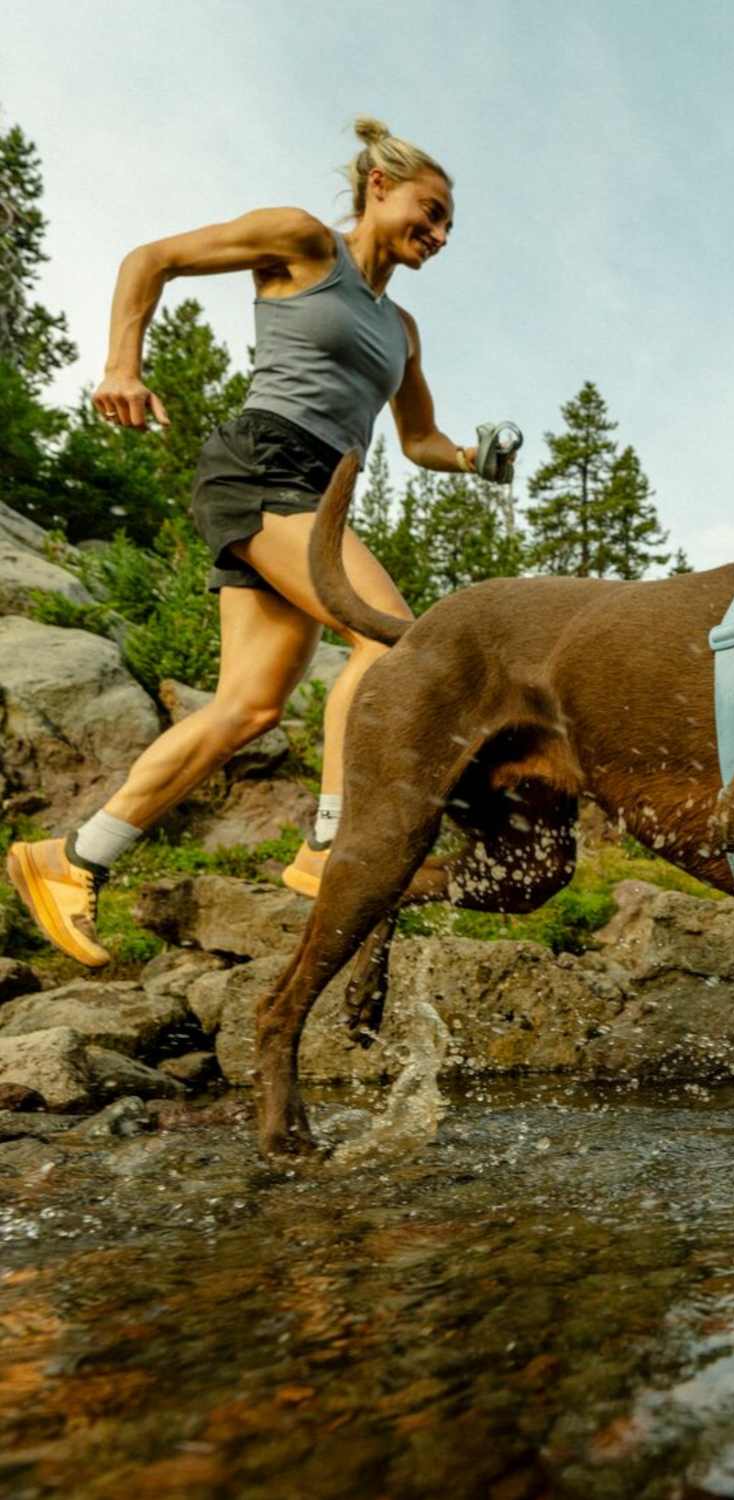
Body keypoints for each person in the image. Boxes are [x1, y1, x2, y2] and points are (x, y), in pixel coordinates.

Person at [5, 117, 508, 968]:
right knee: (389, 635)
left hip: (321, 495)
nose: (441, 234)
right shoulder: (305, 243)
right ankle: (329, 842)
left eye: (450, 225)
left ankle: (70, 859)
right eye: (431, 211)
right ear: (379, 188)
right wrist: (122, 365)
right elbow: (148, 260)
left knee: (248, 707)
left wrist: (472, 458)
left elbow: (419, 440)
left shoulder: (403, 328)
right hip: (263, 463)